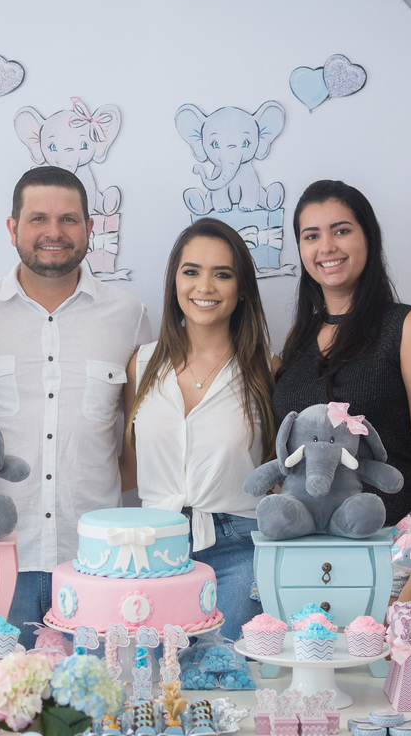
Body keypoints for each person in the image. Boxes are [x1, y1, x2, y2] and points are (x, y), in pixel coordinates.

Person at [0, 166, 152, 648]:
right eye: (38, 219)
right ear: (12, 228)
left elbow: (138, 437)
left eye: (68, 219)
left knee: (96, 692)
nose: (54, 232)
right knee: (2, 692)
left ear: (90, 227)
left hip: (97, 563)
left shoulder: (129, 315)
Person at [272, 179, 411, 603]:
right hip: (304, 554)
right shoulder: (298, 338)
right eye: (311, 236)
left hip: (388, 551)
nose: (326, 247)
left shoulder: (408, 329)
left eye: (341, 230)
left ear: (368, 237)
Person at [123, 218, 276, 640]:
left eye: (222, 274)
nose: (204, 287)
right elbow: (128, 466)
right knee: (154, 674)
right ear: (175, 281)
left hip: (239, 547)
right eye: (191, 271)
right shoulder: (141, 364)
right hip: (153, 548)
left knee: (231, 671)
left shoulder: (268, 370)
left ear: (242, 289)